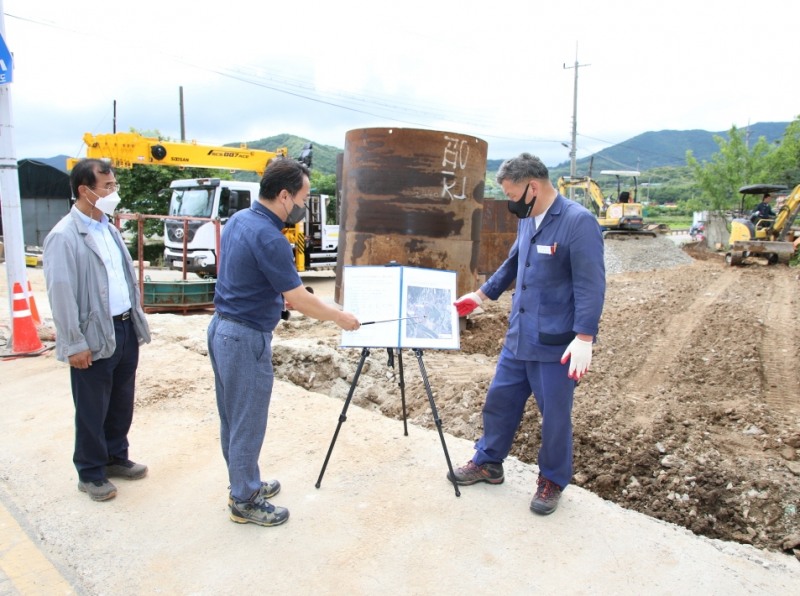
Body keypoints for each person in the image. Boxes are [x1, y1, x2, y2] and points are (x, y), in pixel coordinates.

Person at [449, 153, 605, 515]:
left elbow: (591, 285)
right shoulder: (528, 219)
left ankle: (552, 479)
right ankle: (488, 462)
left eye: (511, 193)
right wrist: (481, 295)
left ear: (532, 187)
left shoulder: (578, 223)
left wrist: (585, 337)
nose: (509, 202)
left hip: (556, 344)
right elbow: (514, 264)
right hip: (519, 336)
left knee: (554, 416)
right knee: (499, 401)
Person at [207, 158, 361, 528]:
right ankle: (244, 499)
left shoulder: (240, 221)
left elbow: (255, 279)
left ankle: (245, 481)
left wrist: (284, 296)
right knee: (248, 422)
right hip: (245, 337)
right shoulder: (270, 237)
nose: (303, 208)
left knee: (233, 418)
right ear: (284, 195)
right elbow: (302, 299)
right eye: (303, 199)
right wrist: (340, 316)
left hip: (222, 329)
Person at [43, 158, 152, 502]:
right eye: (107, 187)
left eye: (114, 186)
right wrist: (74, 343)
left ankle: (115, 457)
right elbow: (61, 294)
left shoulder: (108, 228)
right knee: (92, 406)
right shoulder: (64, 237)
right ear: (85, 191)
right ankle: (90, 472)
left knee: (121, 400)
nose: (113, 193)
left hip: (123, 328)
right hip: (93, 335)